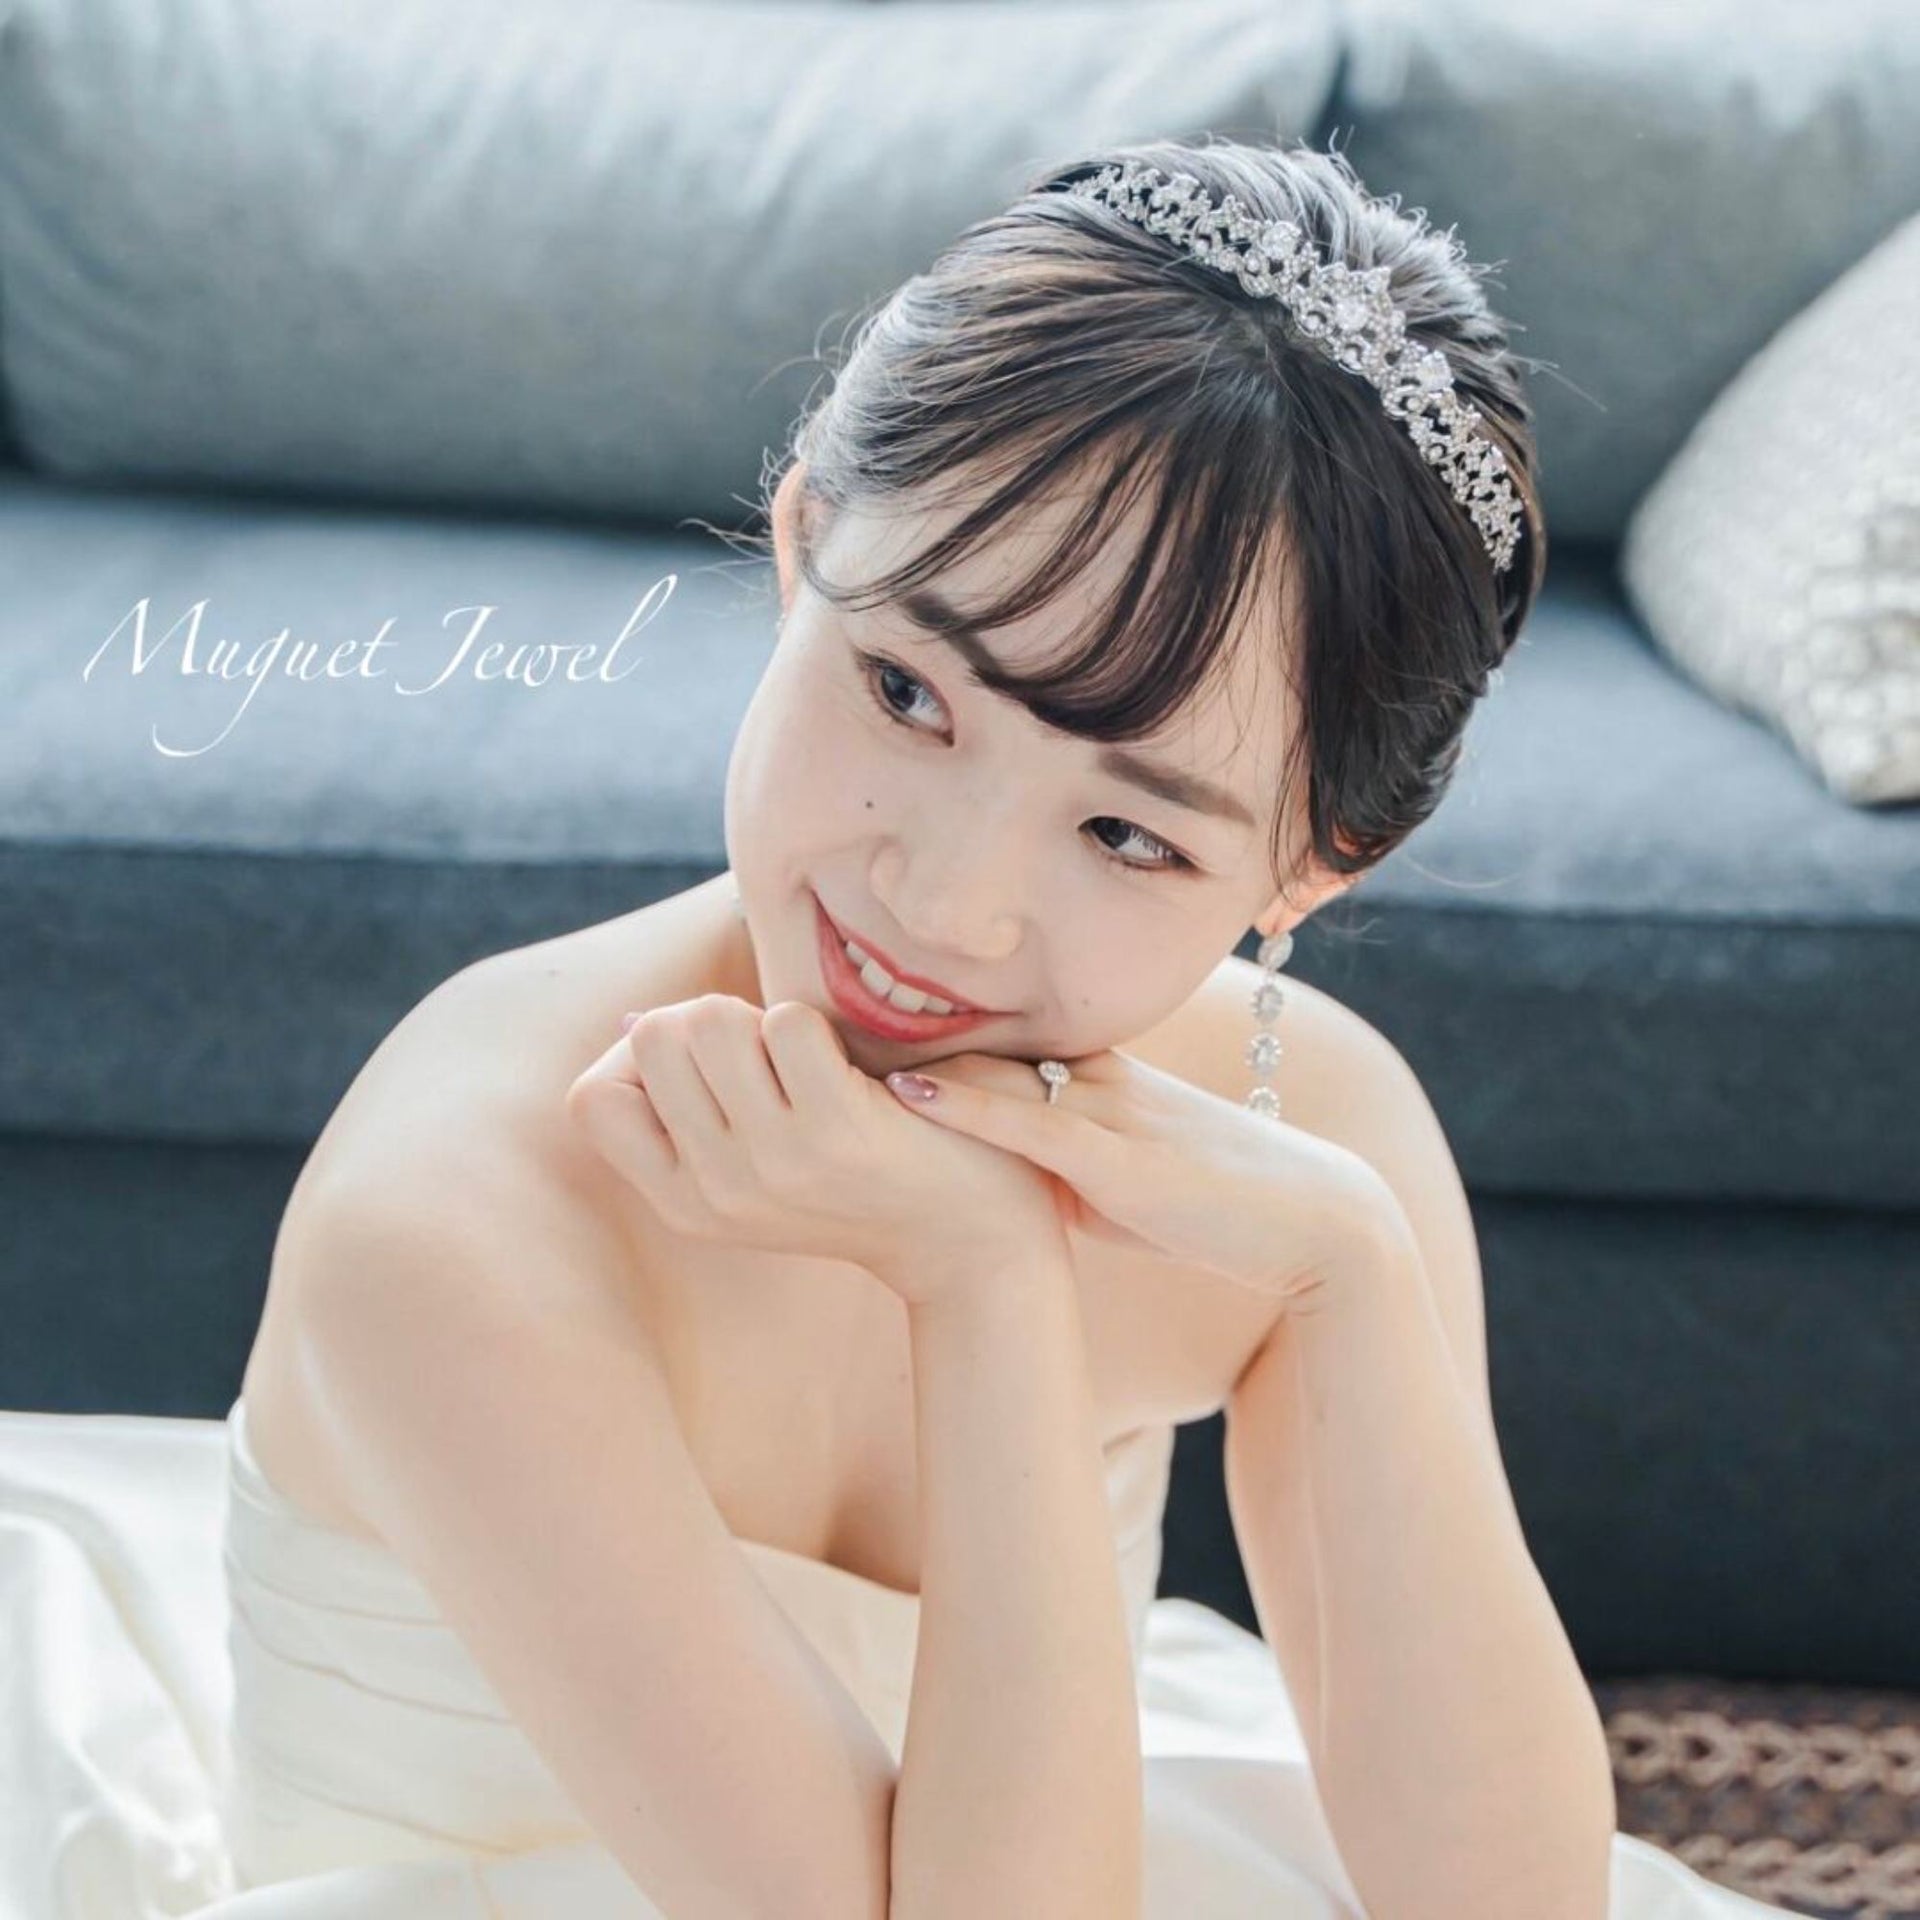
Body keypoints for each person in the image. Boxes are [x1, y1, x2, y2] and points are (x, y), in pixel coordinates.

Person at [0, 136, 1800, 1918]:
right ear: (805, 548)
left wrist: (1352, 1268)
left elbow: (1504, 1903)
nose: (943, 907)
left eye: (1128, 833)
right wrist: (986, 1280)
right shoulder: (463, 1208)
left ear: (1311, 870)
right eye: (906, 692)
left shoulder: (1307, 1138)